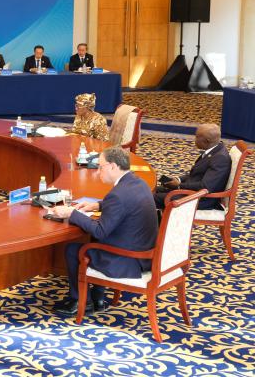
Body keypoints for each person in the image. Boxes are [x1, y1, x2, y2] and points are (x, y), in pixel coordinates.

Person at [50, 147, 158, 315]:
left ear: (113, 166)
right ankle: (98, 298)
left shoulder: (118, 195)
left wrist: (72, 213)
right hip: (144, 253)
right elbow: (125, 204)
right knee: (96, 242)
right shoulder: (138, 183)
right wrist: (97, 205)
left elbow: (100, 231)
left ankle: (80, 301)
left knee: (73, 249)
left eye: (101, 167)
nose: (98, 171)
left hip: (128, 260)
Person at [153, 124, 231, 211]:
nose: (194, 139)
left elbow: (205, 186)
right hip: (191, 191)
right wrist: (179, 180)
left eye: (197, 137)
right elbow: (197, 174)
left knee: (150, 198)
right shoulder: (214, 150)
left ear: (207, 141)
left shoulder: (220, 158)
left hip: (200, 199)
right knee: (153, 190)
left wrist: (179, 186)